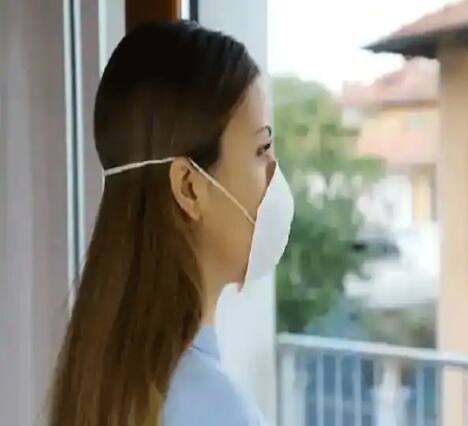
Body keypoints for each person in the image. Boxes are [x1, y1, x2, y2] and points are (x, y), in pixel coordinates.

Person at [49, 21, 294, 426]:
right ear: (189, 188)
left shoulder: (102, 382)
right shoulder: (217, 410)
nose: (275, 174)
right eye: (261, 149)